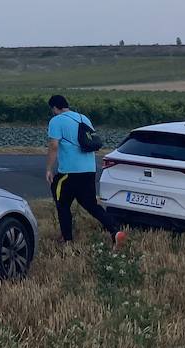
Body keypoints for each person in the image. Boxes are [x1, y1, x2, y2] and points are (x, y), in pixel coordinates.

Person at [45, 94, 126, 249]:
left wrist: (49, 168)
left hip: (69, 172)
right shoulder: (83, 118)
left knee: (62, 203)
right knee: (91, 204)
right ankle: (115, 230)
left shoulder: (56, 121)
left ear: (54, 108)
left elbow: (54, 146)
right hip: (89, 170)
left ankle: (67, 239)